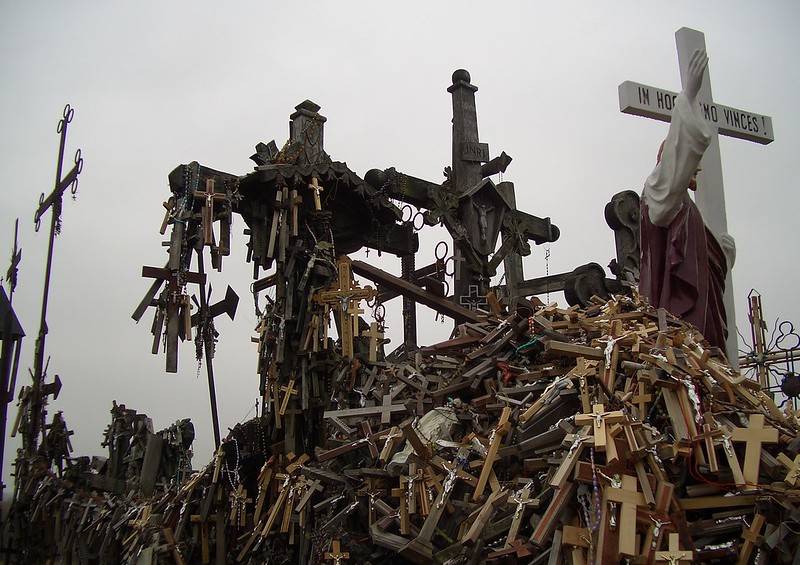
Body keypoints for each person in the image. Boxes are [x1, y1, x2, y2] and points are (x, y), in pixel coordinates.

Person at [639, 49, 735, 352]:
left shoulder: (686, 207)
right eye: (693, 164)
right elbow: (675, 165)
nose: (698, 169)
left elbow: (703, 270)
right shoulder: (659, 192)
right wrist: (688, 98)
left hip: (705, 318)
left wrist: (722, 256)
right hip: (680, 315)